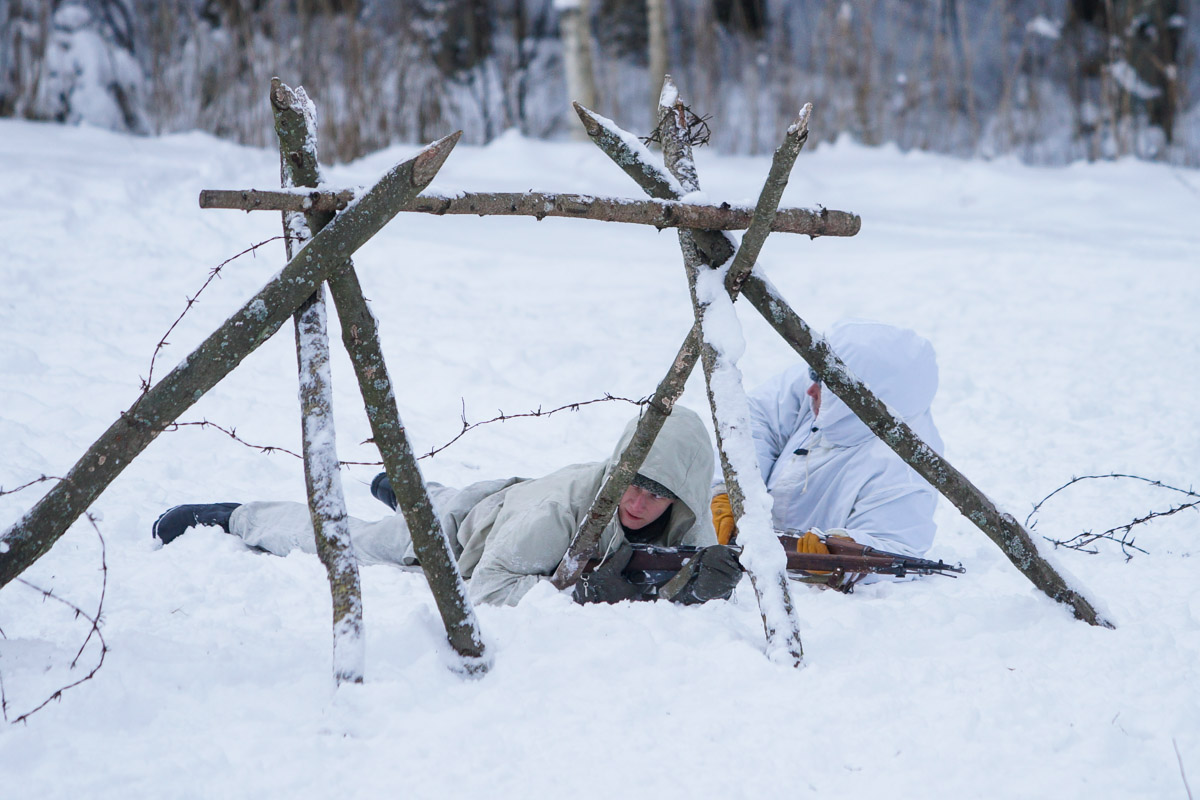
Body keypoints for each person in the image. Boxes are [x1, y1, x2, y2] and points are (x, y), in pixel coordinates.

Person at [154, 407, 742, 607]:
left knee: (433, 501)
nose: (641, 502)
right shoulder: (559, 517)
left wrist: (685, 583)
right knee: (359, 540)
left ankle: (407, 488)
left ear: (681, 494)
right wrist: (580, 595)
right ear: (619, 469)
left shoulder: (674, 517)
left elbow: (652, 570)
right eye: (632, 484)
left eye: (659, 491)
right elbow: (484, 585)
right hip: (466, 530)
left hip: (505, 498)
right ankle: (238, 514)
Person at [710, 319, 945, 561]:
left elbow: (895, 548)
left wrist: (842, 550)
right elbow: (753, 419)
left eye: (823, 385)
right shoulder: (829, 387)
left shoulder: (902, 471)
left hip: (807, 591)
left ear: (860, 395)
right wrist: (734, 488)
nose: (810, 390)